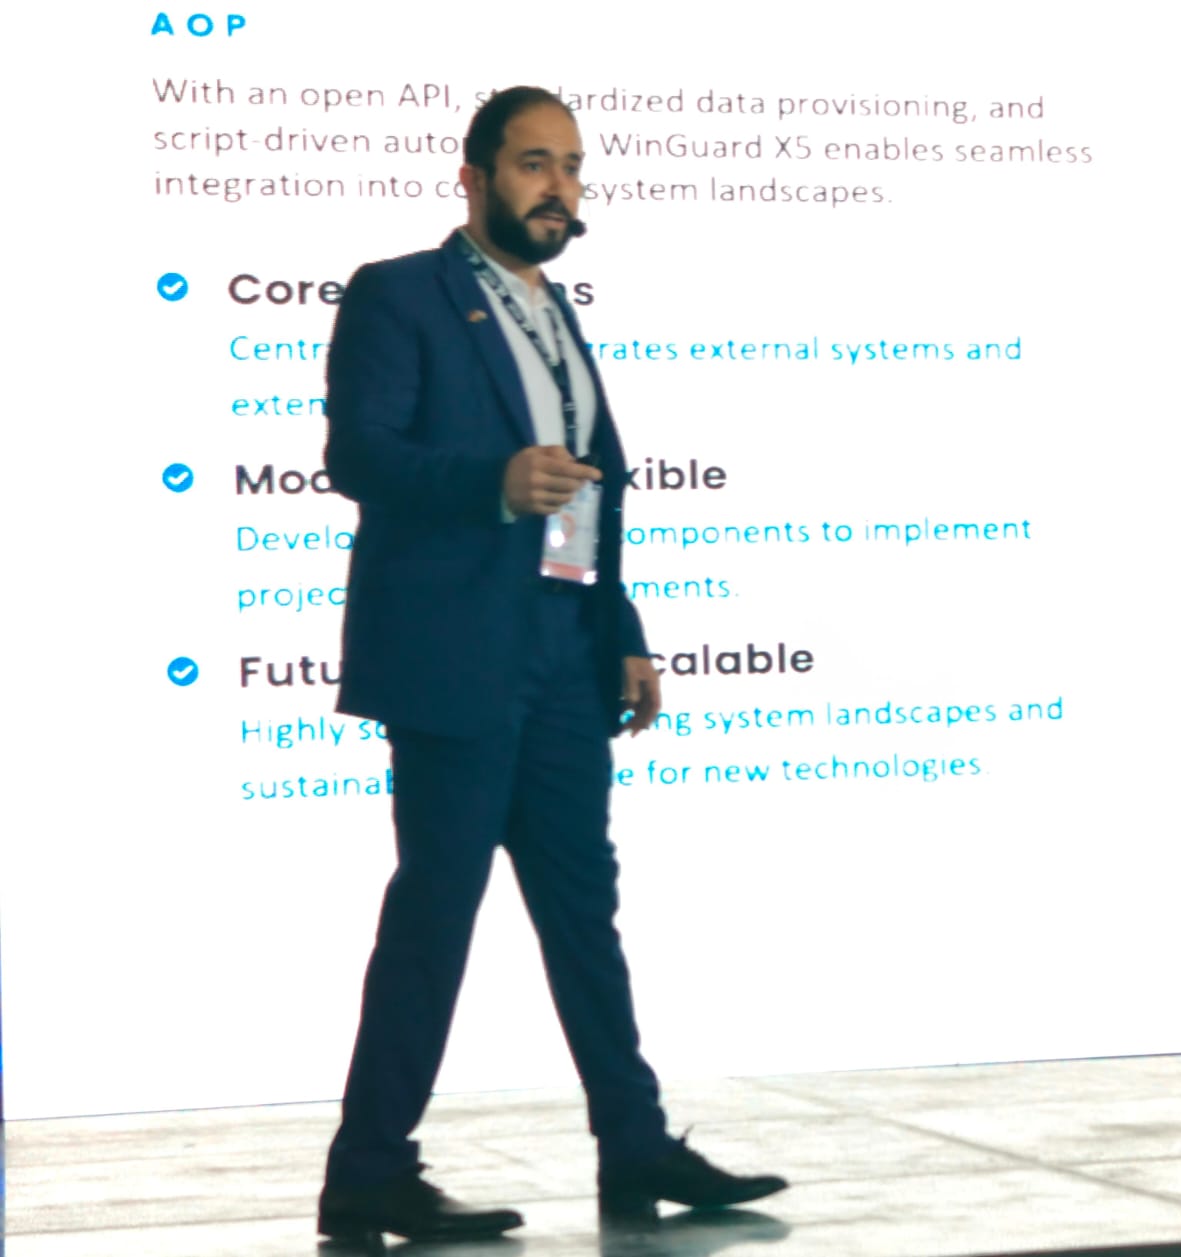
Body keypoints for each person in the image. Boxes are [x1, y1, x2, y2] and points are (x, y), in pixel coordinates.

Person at [314, 85, 787, 1244]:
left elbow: (585, 489)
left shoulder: (554, 311)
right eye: (534, 164)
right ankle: (368, 1168)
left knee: (584, 913)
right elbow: (358, 454)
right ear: (473, 177)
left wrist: (618, 630)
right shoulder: (400, 293)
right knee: (437, 916)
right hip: (455, 658)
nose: (558, 188)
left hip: (562, 655)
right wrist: (489, 484)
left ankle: (635, 1145)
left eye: (572, 167)